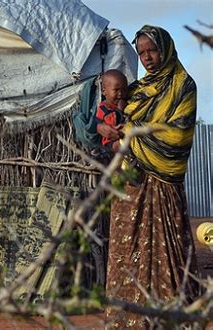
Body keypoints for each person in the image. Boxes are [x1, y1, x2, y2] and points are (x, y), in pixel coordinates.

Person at [98, 25, 200, 328]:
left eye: (152, 50)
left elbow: (176, 136)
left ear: (166, 48)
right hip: (130, 185)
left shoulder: (183, 86)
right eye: (141, 52)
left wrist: (125, 133)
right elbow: (109, 120)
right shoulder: (138, 91)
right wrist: (105, 129)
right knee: (128, 250)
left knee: (167, 251)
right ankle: (128, 315)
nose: (147, 58)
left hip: (164, 185)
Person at [94, 69, 128, 152]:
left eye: (124, 90)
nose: (120, 93)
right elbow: (114, 124)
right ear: (104, 91)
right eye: (116, 90)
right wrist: (120, 110)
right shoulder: (104, 108)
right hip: (110, 143)